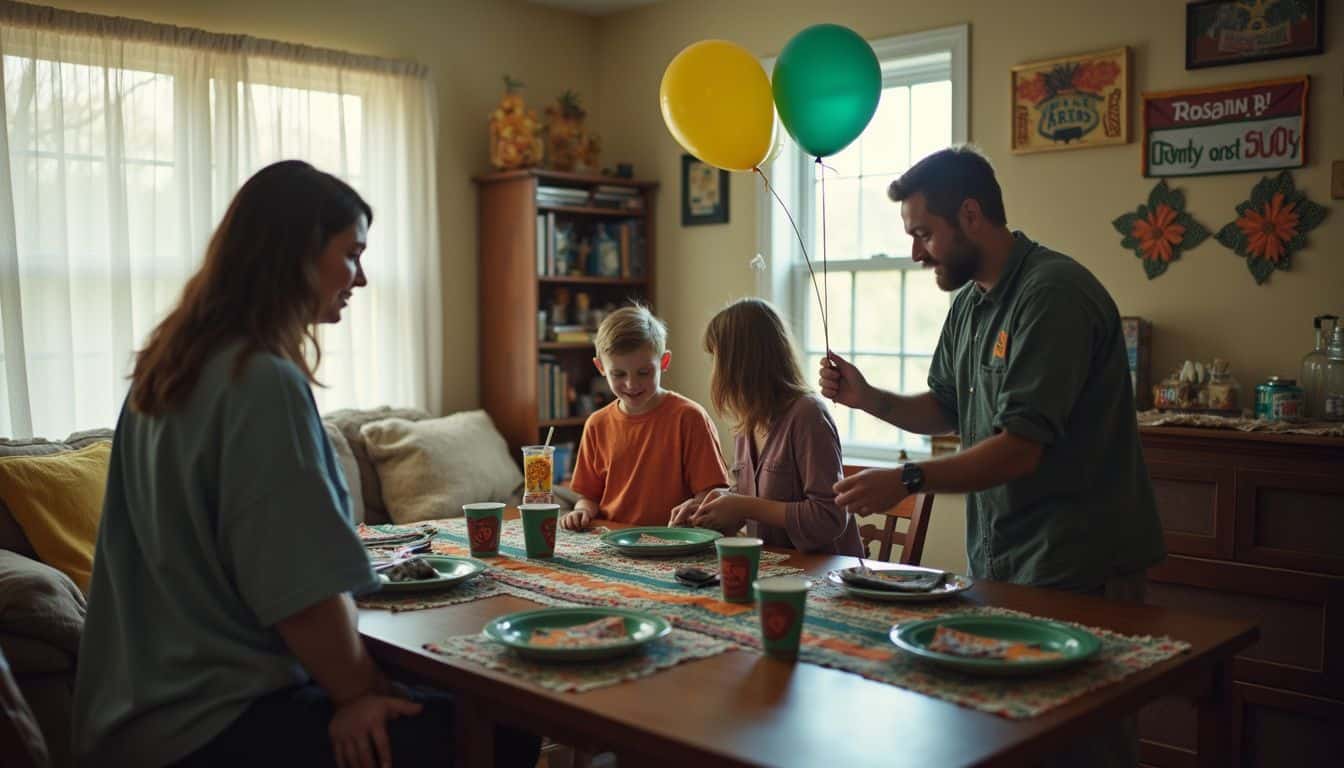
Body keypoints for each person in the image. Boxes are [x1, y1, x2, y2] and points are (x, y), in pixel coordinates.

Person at [71, 161, 538, 768]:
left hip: (129, 720)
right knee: (507, 720)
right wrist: (359, 693)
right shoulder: (259, 380)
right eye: (351, 253)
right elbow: (302, 595)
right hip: (210, 724)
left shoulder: (165, 371)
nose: (362, 278)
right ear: (292, 255)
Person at [820, 146, 1163, 767]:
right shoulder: (971, 303)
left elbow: (1018, 450)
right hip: (1004, 557)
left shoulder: (1051, 294)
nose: (916, 252)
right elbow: (947, 408)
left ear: (971, 214)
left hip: (1079, 560)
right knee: (1019, 735)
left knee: (1085, 742)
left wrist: (908, 478)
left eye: (924, 233)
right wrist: (866, 397)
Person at [669, 299, 861, 556]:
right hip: (774, 568)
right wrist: (712, 504)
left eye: (716, 357)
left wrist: (744, 506)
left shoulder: (808, 414)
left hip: (823, 573)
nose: (713, 369)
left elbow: (829, 518)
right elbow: (750, 497)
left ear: (740, 363)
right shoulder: (747, 421)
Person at [560, 304, 730, 531]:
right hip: (614, 541)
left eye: (644, 372)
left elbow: (712, 495)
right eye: (619, 374)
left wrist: (695, 508)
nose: (632, 384)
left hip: (674, 540)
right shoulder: (597, 424)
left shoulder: (689, 418)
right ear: (600, 367)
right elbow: (589, 497)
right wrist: (581, 511)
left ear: (664, 363)